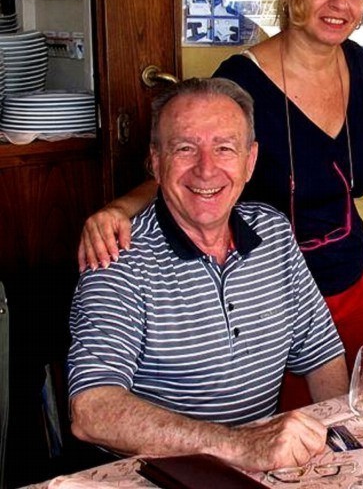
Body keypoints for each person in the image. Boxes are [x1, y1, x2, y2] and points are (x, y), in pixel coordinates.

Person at [77, 0, 363, 406]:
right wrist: (120, 209)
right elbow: (191, 172)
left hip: (355, 280)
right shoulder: (241, 81)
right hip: (270, 299)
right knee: (296, 436)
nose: (340, 4)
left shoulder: (356, 62)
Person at [67, 78, 348, 472]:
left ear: (250, 161)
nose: (206, 169)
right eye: (185, 148)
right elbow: (91, 410)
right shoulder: (117, 256)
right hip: (158, 476)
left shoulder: (274, 234)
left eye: (224, 148)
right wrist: (236, 446)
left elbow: (322, 358)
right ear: (156, 161)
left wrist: (342, 450)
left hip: (259, 471)